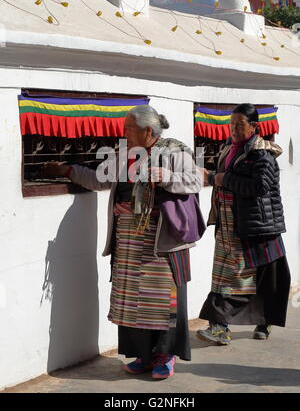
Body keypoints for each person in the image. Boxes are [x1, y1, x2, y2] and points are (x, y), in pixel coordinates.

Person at [44, 105, 204, 379]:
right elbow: (98, 179)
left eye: (129, 128)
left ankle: (165, 355)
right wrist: (69, 170)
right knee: (133, 299)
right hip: (128, 239)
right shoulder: (123, 155)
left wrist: (168, 177)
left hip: (161, 240)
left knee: (162, 300)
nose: (124, 133)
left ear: (148, 131)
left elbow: (196, 181)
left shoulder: (176, 152)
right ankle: (143, 356)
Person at [197, 103, 290, 346]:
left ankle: (248, 322)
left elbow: (259, 187)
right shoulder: (228, 148)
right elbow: (220, 179)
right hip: (226, 224)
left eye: (240, 124)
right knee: (221, 276)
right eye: (232, 124)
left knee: (242, 279)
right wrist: (210, 176)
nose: (234, 129)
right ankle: (220, 327)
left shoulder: (263, 154)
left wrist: (222, 179)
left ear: (254, 127)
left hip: (252, 226)